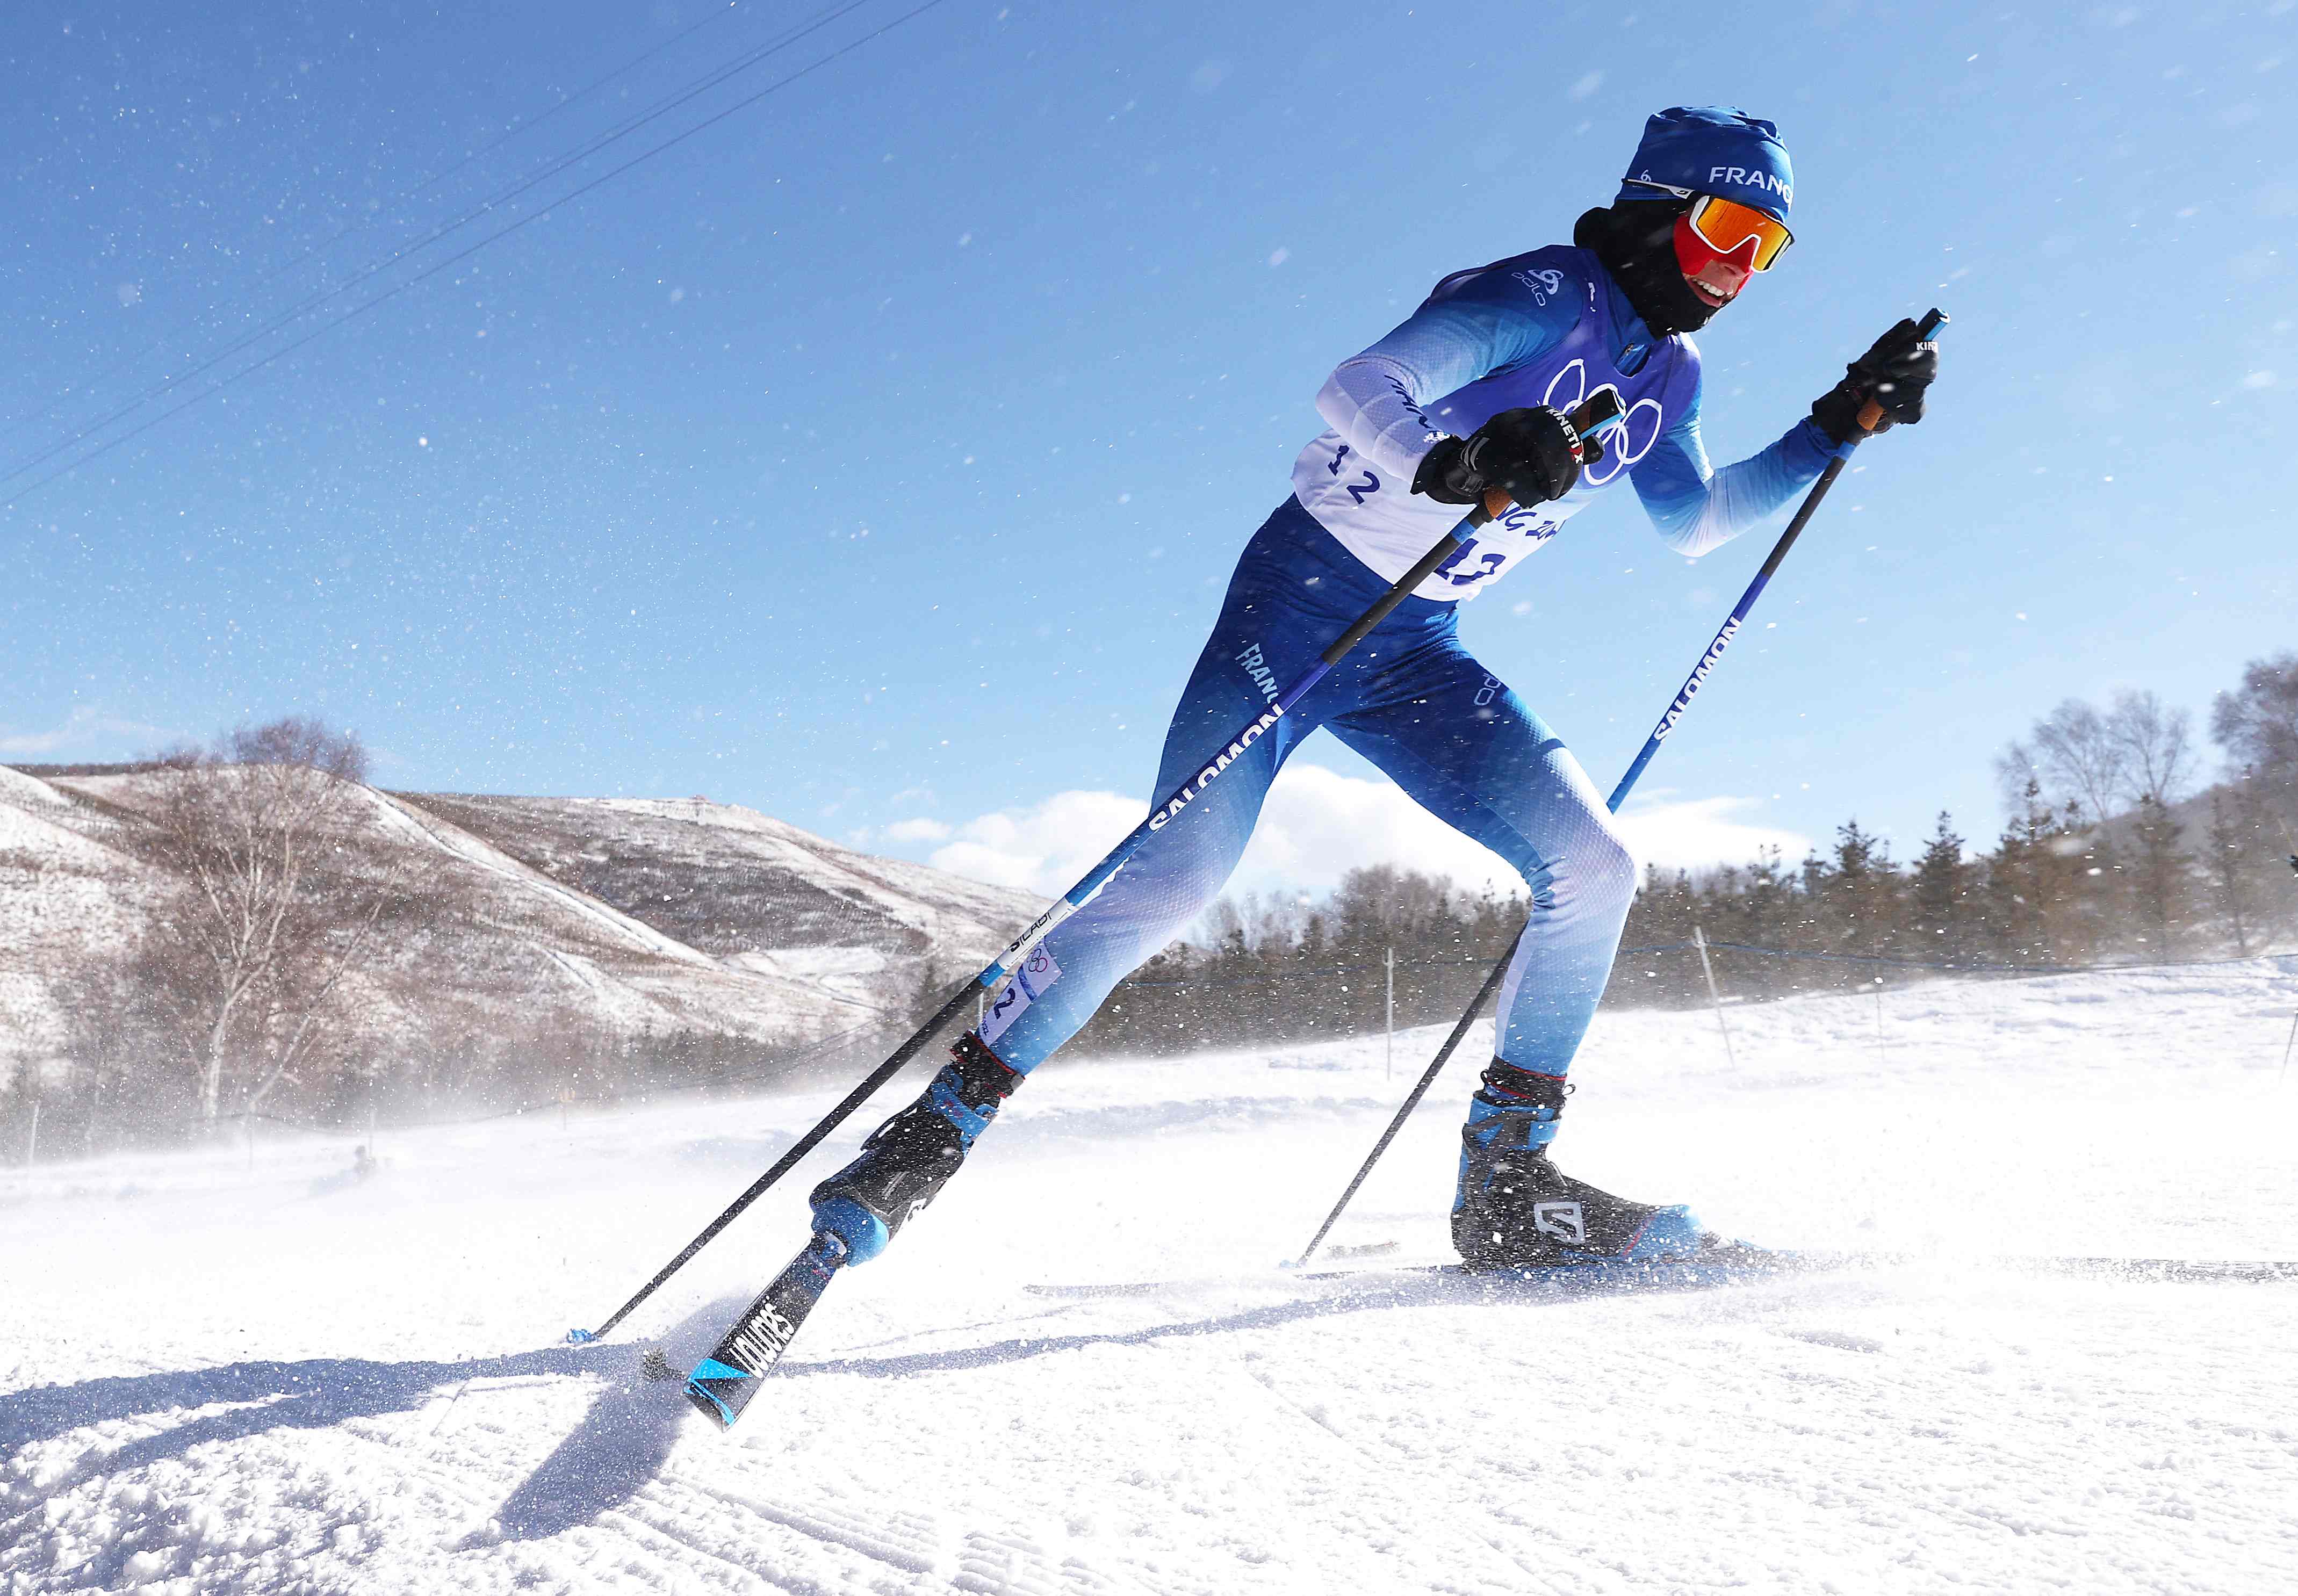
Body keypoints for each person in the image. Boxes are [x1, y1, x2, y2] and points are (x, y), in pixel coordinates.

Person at [809, 106, 1938, 1272]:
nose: (1739, 268)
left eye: (1767, 247)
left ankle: (1506, 1184)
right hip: (1294, 618)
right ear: (1654, 211)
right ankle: (932, 1130)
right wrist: (1456, 460)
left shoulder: (1672, 374)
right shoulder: (1547, 294)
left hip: (1413, 653)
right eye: (1725, 228)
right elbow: (1360, 383)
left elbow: (1695, 521)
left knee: (1597, 866)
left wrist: (1834, 425)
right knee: (1177, 881)